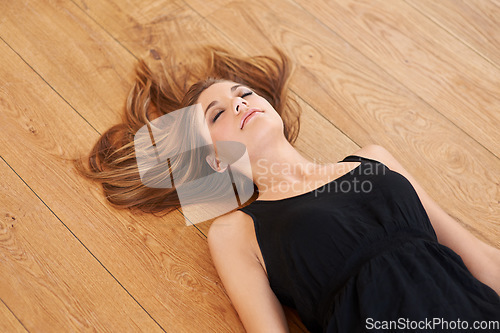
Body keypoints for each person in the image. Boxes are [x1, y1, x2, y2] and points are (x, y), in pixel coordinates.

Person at [75, 47, 500, 332]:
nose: (240, 103)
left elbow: (478, 255)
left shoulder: (375, 159)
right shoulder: (236, 231)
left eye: (244, 94)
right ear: (216, 161)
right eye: (218, 113)